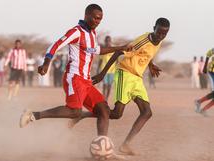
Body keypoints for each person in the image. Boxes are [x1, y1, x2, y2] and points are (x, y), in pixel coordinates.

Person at [19, 4, 130, 139]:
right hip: (74, 78)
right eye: (95, 18)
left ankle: (102, 145)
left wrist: (122, 47)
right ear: (86, 15)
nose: (97, 22)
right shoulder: (76, 32)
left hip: (86, 81)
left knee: (104, 110)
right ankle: (33, 115)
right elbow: (56, 45)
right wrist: (46, 63)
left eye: (100, 19)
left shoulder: (92, 33)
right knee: (74, 111)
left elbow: (97, 50)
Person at [69, 17, 170, 155]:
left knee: (147, 112)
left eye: (164, 34)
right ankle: (82, 115)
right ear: (154, 28)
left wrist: (151, 65)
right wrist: (102, 73)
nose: (161, 36)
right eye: (159, 32)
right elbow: (118, 52)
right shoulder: (143, 40)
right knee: (116, 114)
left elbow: (147, 53)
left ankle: (126, 145)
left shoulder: (158, 42)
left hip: (137, 78)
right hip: (125, 73)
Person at [195, 48, 214, 116]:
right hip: (212, 72)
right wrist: (205, 66)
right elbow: (209, 54)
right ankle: (199, 102)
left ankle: (202, 107)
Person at [98, 36, 116, 100]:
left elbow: (116, 60)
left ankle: (107, 98)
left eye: (109, 41)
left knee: (109, 85)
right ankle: (104, 97)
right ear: (105, 41)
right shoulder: (103, 49)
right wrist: (98, 69)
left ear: (110, 41)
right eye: (107, 41)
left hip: (112, 71)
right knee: (105, 84)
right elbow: (100, 61)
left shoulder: (113, 49)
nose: (108, 42)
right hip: (104, 70)